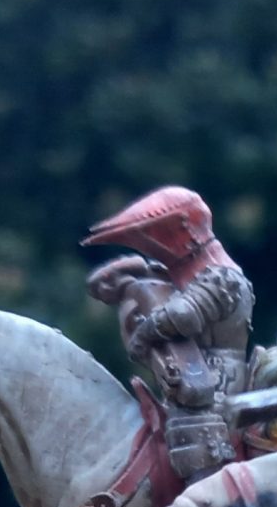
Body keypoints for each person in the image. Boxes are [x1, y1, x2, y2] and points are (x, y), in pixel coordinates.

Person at [82, 186, 257, 481]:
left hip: (218, 382)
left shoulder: (223, 276)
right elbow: (169, 281)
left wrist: (143, 334)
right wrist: (135, 273)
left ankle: (210, 499)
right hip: (190, 376)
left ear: (185, 230)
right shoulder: (196, 272)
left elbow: (183, 315)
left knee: (193, 432)